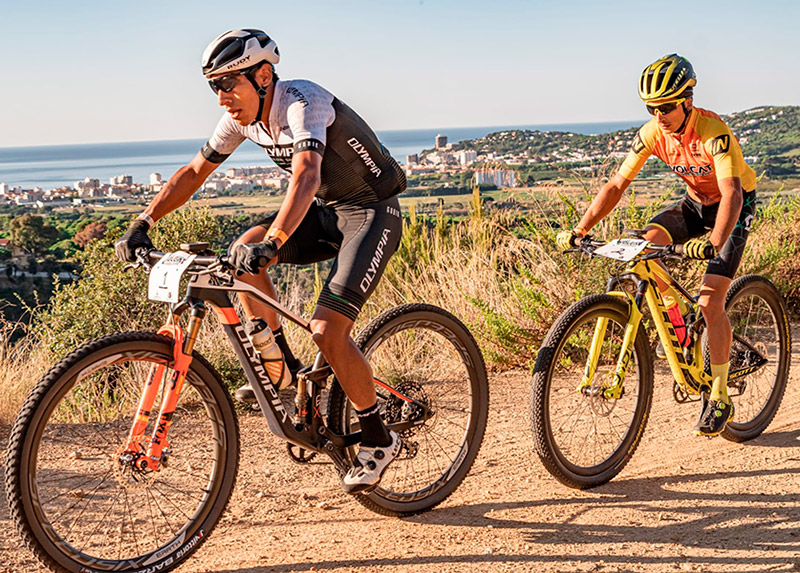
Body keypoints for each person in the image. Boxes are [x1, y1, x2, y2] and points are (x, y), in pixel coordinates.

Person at [115, 29, 407, 492]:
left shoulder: (301, 102)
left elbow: (307, 173)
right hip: (330, 212)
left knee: (327, 329)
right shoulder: (241, 119)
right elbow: (194, 172)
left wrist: (275, 240)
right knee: (241, 250)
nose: (221, 98)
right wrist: (143, 220)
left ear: (263, 75)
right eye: (214, 87)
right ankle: (283, 371)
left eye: (228, 84)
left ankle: (376, 435)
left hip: (372, 212)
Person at [556, 53, 757, 437]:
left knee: (711, 300)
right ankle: (680, 327)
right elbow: (616, 185)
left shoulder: (714, 132)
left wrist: (714, 244)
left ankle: (719, 393)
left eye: (665, 106)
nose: (658, 114)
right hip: (695, 205)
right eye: (651, 107)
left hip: (733, 206)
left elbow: (731, 191)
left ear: (687, 101)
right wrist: (580, 229)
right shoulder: (652, 133)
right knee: (641, 248)